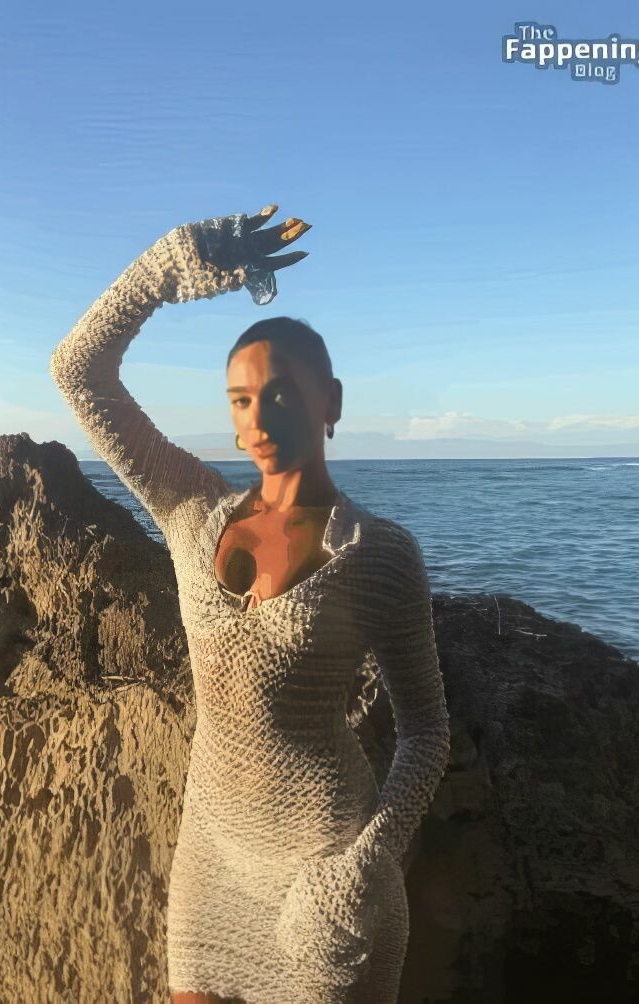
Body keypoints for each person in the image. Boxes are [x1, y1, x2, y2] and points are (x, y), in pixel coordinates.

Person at [49, 204, 451, 1004]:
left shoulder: (378, 553)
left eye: (281, 395)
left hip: (321, 875)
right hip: (211, 854)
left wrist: (364, 866)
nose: (258, 418)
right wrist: (161, 272)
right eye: (240, 399)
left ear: (330, 402)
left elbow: (426, 732)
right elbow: (77, 371)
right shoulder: (189, 508)